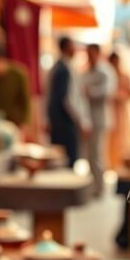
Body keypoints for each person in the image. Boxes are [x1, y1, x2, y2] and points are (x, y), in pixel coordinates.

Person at [46, 36, 90, 165]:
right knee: (68, 158)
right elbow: (67, 99)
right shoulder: (63, 70)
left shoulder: (60, 67)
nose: (74, 50)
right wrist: (79, 120)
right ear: (66, 48)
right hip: (65, 120)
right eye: (72, 46)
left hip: (59, 119)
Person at [82, 43, 117, 195]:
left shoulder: (105, 71)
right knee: (90, 154)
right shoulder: (87, 72)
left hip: (100, 118)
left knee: (97, 154)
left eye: (91, 53)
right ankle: (94, 185)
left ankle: (100, 187)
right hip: (89, 117)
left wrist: (90, 92)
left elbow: (108, 92)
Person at [107, 52, 130, 170]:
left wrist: (121, 96)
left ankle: (120, 162)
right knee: (109, 138)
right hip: (109, 110)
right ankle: (110, 162)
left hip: (121, 111)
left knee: (122, 137)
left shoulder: (124, 76)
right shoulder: (107, 76)